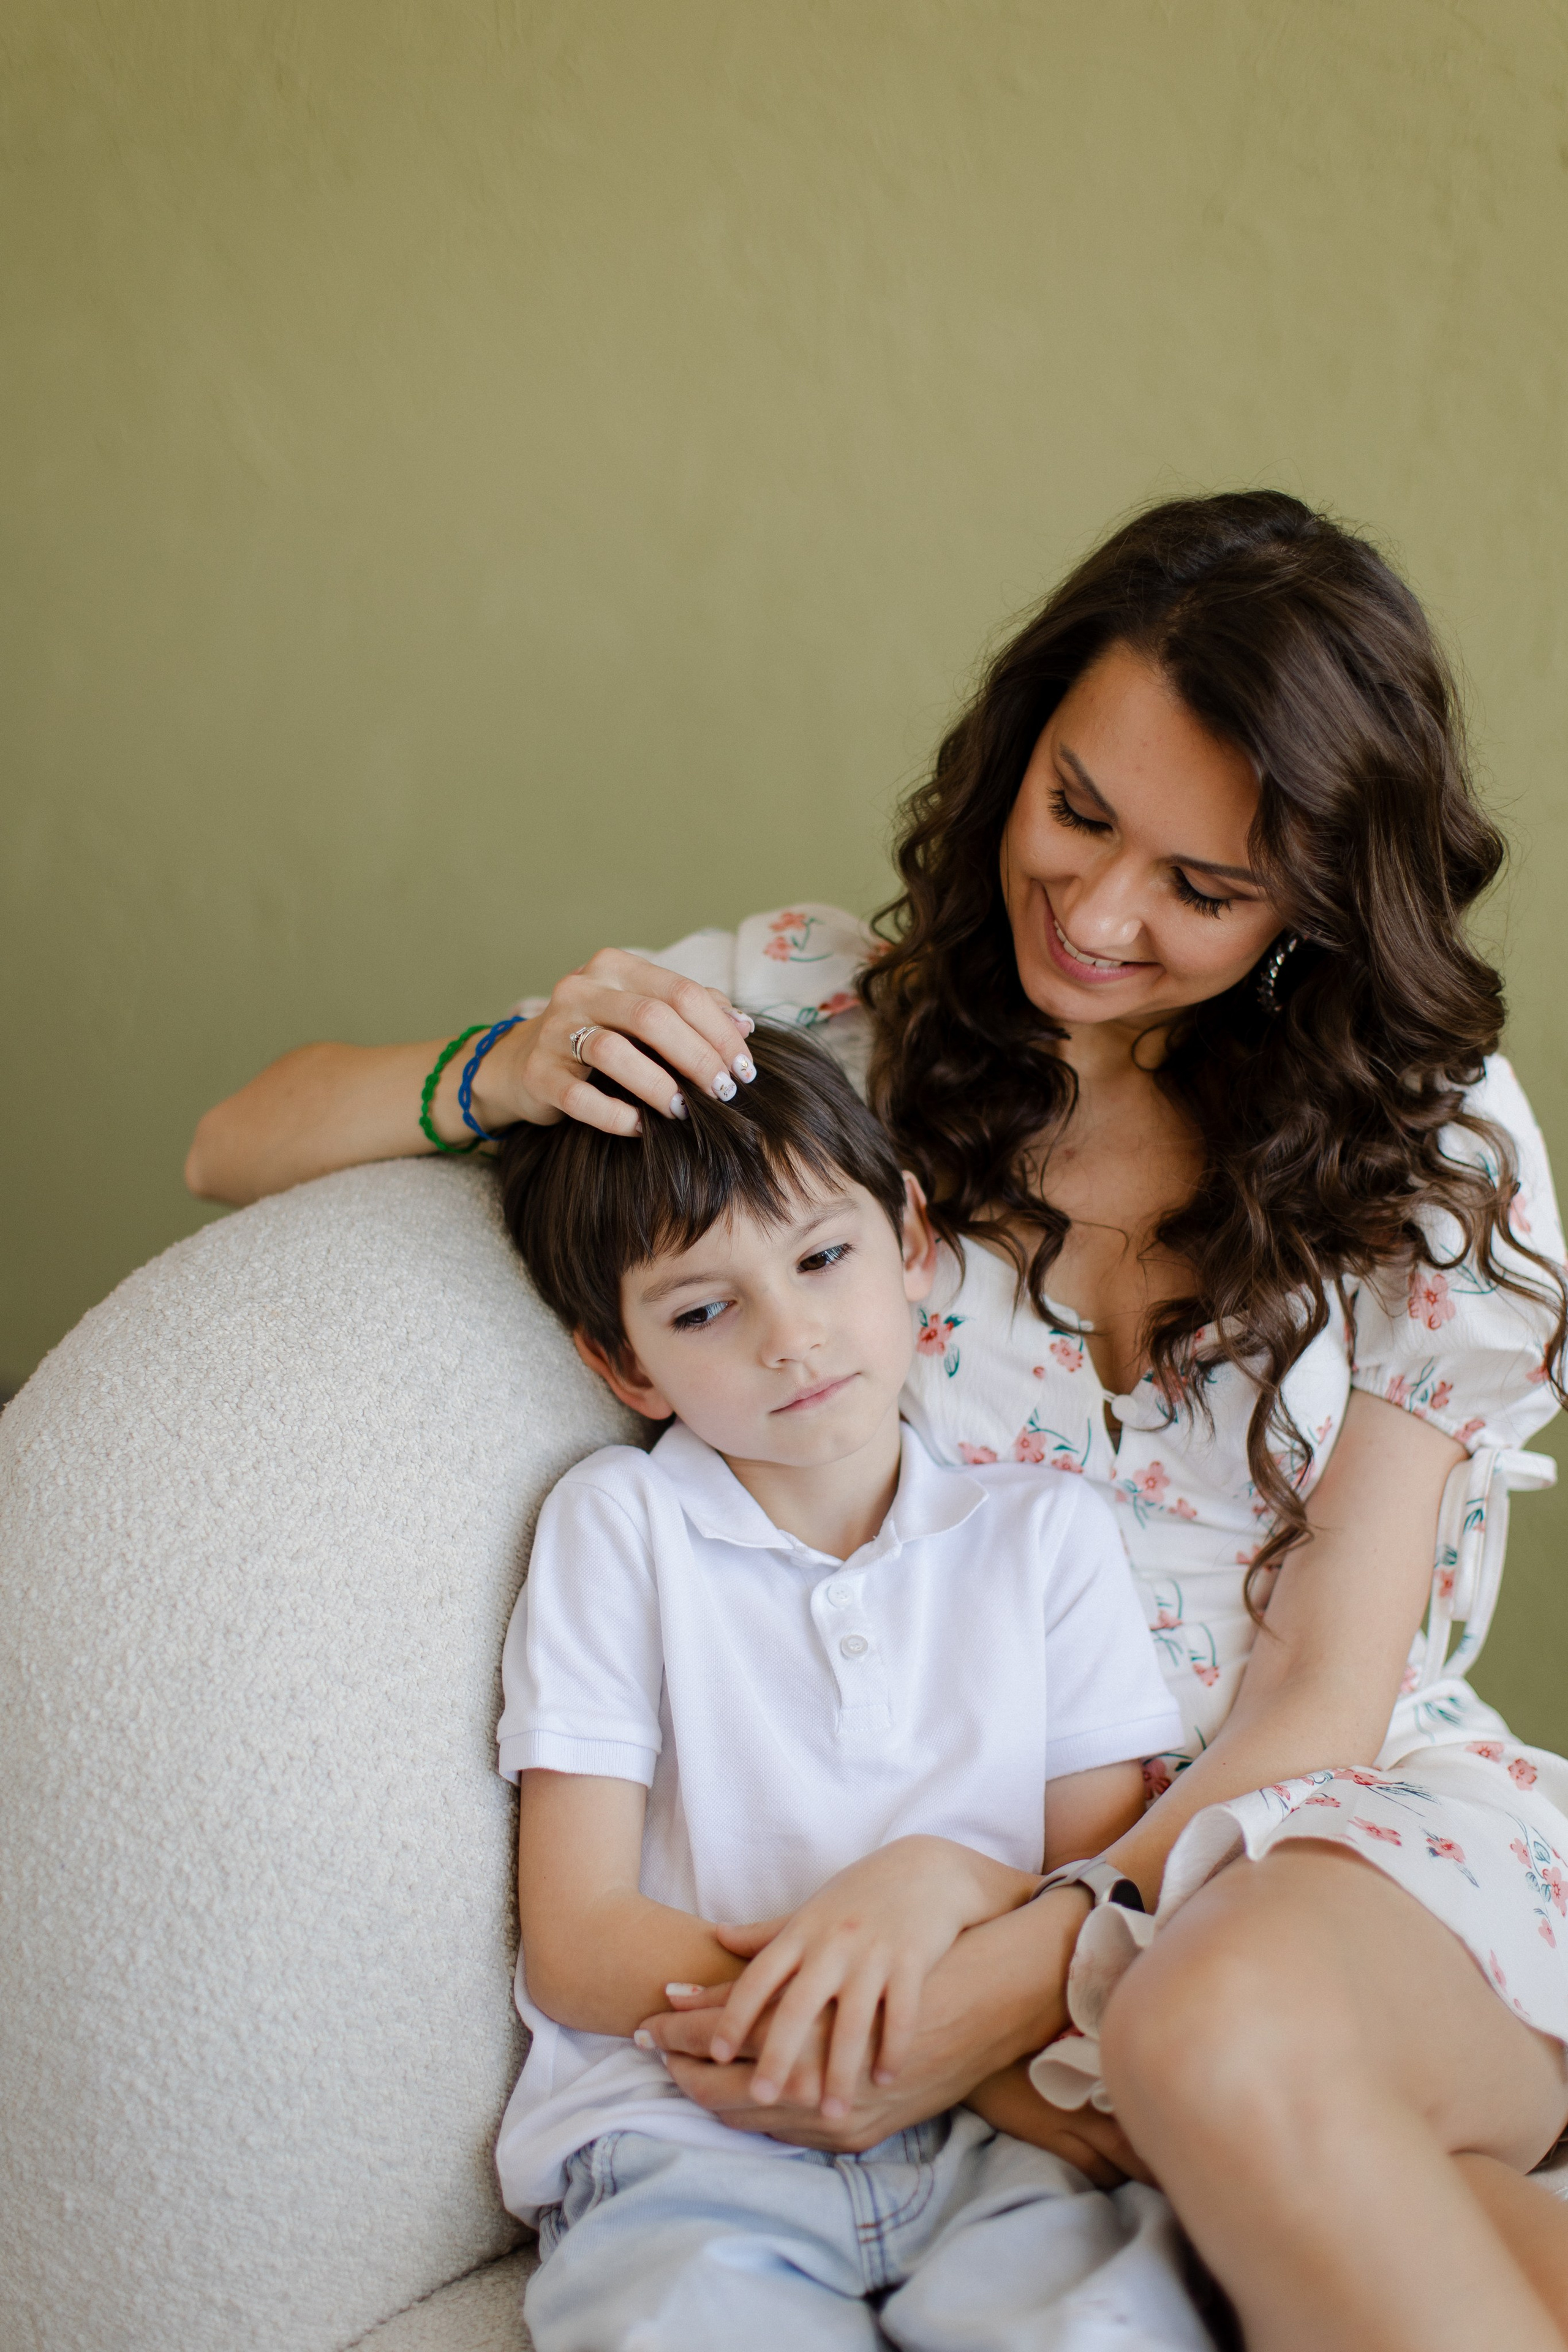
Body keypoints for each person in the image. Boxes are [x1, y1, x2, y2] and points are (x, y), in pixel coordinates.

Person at [189, 491, 1568, 2351]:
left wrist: (1003, 1966)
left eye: (1203, 888)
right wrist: (497, 1068)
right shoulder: (817, 1033)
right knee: (1408, 2229)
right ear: (1019, 747)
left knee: (1202, 2033)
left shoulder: (1436, 1136)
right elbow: (237, 1141)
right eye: (1076, 810)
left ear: (1321, 900)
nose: (1093, 913)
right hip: (958, 1886)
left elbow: (1325, 1694)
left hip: (1326, 1835)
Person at [491, 1019, 1195, 2348]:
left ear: (912, 1246)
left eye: (823, 1259)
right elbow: (582, 1944)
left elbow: (1098, 1884)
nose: (791, 1337)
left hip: (1005, 2131)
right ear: (620, 1361)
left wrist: (925, 1883)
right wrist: (881, 2032)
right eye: (705, 1309)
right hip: (685, 2131)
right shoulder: (617, 1527)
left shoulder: (1044, 1534)